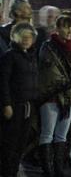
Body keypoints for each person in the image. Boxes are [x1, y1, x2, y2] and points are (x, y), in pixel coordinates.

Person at [38, 15, 71, 177]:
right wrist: (67, 87)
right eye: (65, 26)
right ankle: (47, 169)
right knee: (47, 133)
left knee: (61, 135)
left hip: (70, 98)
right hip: (51, 97)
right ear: (58, 28)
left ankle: (58, 167)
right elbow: (49, 72)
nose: (69, 30)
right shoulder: (48, 47)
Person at [0, 23, 39, 177]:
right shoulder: (10, 56)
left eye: (29, 37)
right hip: (15, 106)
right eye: (22, 36)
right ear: (15, 37)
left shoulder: (31, 57)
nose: (26, 39)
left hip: (28, 106)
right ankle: (7, 172)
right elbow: (3, 81)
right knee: (10, 142)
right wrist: (7, 104)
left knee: (21, 142)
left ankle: (13, 170)